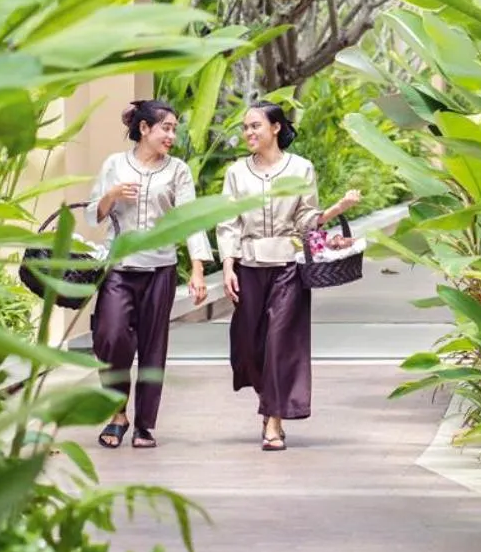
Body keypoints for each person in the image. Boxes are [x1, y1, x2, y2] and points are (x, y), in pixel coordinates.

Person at [218, 101, 361, 451]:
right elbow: (227, 222)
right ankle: (269, 400)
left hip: (287, 268)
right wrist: (226, 266)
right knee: (249, 347)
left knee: (281, 344)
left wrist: (336, 211)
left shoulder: (301, 168)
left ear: (276, 128)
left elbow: (306, 220)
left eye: (255, 126)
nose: (249, 133)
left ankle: (273, 422)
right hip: (248, 267)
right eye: (246, 127)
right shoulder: (236, 172)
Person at [89, 99, 210, 450]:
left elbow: (190, 219)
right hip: (119, 268)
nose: (172, 135)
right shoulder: (114, 164)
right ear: (144, 129)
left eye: (174, 128)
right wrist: (111, 194)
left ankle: (143, 423)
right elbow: (92, 215)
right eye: (166, 128)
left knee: (154, 347)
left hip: (160, 268)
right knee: (111, 336)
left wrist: (198, 268)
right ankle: (117, 411)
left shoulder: (178, 171)